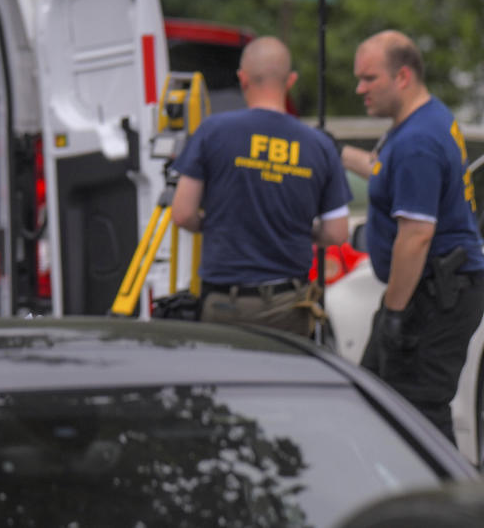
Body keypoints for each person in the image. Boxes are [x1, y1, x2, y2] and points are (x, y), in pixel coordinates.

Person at [342, 30, 484, 442]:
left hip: (436, 296)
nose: (360, 89)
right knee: (374, 397)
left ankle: (445, 502)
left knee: (417, 414)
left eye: (369, 78)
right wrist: (337, 151)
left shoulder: (418, 140)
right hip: (434, 291)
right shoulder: (424, 121)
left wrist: (395, 315)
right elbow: (383, 171)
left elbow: (417, 236)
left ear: (402, 76)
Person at [171, 36, 351, 337]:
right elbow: (337, 233)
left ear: (242, 79)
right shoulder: (319, 145)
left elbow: (183, 214)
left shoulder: (212, 132)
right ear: (290, 80)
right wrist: (289, 229)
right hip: (290, 304)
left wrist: (220, 224)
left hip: (225, 304)